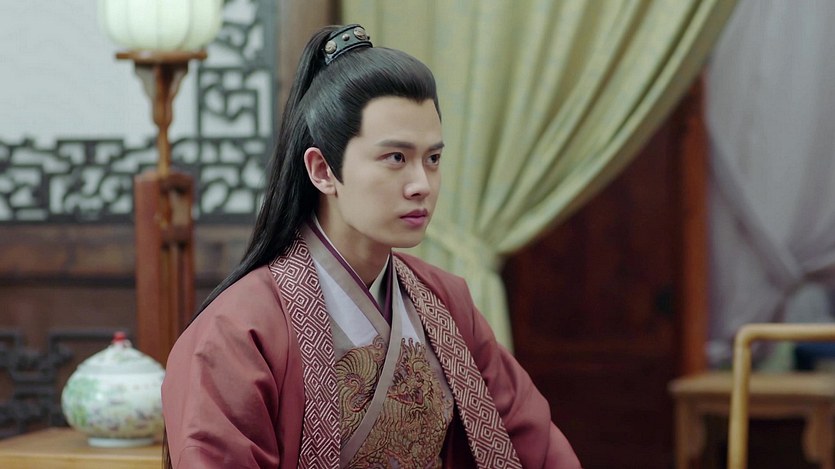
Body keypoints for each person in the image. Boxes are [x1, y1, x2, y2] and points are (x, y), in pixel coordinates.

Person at [161, 23, 582, 469]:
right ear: (322, 170)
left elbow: (536, 447)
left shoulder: (446, 303)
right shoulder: (238, 330)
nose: (422, 185)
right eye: (395, 158)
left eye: (433, 158)